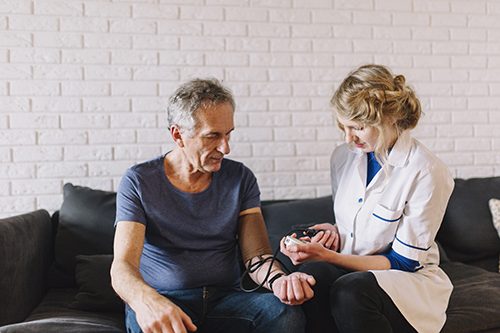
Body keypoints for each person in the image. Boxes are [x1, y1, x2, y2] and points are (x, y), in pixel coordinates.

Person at [110, 78, 316, 333]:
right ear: (178, 135)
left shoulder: (240, 178)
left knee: (285, 314)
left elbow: (257, 258)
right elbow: (123, 266)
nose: (225, 148)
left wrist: (280, 281)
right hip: (166, 299)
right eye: (213, 136)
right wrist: (145, 301)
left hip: (228, 299)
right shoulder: (139, 181)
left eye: (228, 135)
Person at [281, 64, 454, 333]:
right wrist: (333, 234)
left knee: (350, 291)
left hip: (405, 280)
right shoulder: (343, 157)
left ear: (389, 118)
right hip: (354, 266)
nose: (348, 138)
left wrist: (328, 256)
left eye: (358, 127)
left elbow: (402, 262)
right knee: (308, 280)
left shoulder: (427, 171)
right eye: (343, 127)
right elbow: (359, 225)